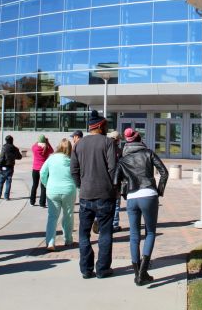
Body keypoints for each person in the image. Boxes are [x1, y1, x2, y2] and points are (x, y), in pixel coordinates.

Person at [114, 127, 168, 286]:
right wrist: (159, 191)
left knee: (134, 235)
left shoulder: (123, 159)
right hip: (148, 195)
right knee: (150, 232)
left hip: (132, 197)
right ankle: (143, 273)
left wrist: (124, 194)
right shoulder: (148, 153)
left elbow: (115, 181)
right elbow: (164, 172)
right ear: (139, 140)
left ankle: (137, 273)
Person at [70, 110, 117, 279]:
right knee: (105, 233)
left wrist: (81, 186)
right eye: (105, 125)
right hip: (105, 194)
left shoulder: (78, 144)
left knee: (84, 234)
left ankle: (86, 269)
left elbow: (73, 170)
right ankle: (103, 269)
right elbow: (113, 169)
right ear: (99, 126)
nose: (107, 127)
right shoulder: (108, 143)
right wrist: (113, 187)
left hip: (86, 195)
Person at [40, 138, 77, 251]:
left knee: (52, 217)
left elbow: (42, 172)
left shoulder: (51, 158)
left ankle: (50, 242)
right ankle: (68, 239)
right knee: (68, 215)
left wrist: (46, 184)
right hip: (68, 190)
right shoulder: (72, 160)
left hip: (53, 190)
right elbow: (77, 174)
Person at [0, 135, 22, 200]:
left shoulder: (4, 147)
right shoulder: (15, 148)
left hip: (3, 166)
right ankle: (6, 196)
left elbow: (1, 157)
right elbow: (19, 157)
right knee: (8, 182)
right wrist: (13, 156)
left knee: (1, 181)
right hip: (10, 167)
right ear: (12, 140)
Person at [31, 135, 53, 207]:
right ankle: (42, 203)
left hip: (35, 169)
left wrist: (38, 141)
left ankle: (32, 201)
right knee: (43, 186)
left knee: (34, 185)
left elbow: (33, 146)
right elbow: (52, 150)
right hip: (44, 170)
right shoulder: (47, 149)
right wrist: (48, 142)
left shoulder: (35, 148)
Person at [107, 130, 122, 232]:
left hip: (105, 180)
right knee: (116, 204)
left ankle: (100, 221)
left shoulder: (105, 149)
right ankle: (114, 224)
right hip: (117, 180)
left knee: (104, 202)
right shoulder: (120, 151)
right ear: (118, 140)